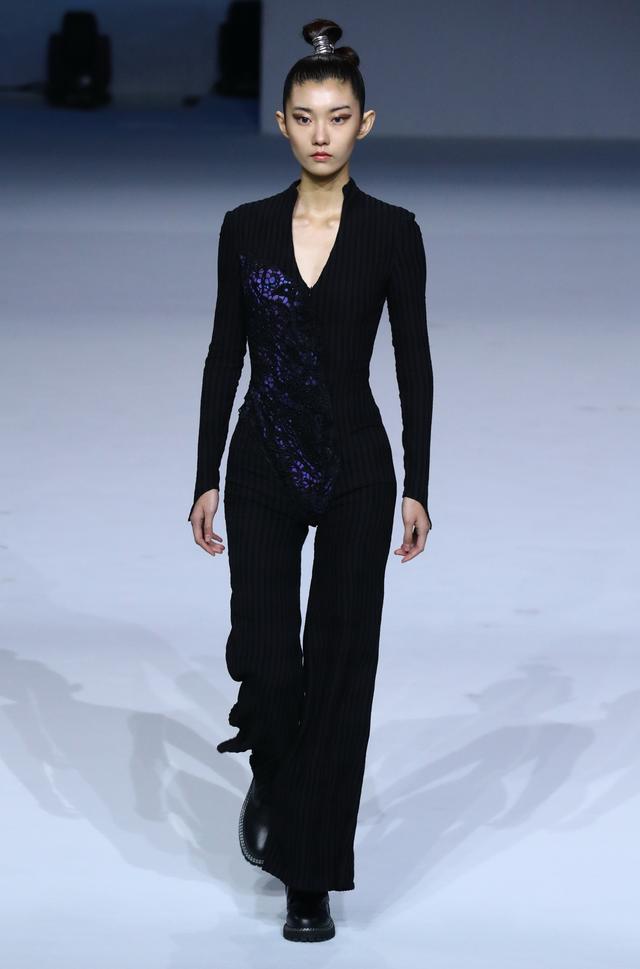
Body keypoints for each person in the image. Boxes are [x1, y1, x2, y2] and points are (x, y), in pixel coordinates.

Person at [187, 17, 434, 942]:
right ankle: (275, 769)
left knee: (341, 663)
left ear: (364, 123)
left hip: (359, 467)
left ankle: (309, 871)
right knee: (266, 654)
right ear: (282, 122)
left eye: (337, 117)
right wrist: (203, 472)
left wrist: (418, 483)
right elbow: (224, 352)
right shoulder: (244, 228)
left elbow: (413, 361)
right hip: (259, 460)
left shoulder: (394, 232)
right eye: (303, 117)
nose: (320, 134)